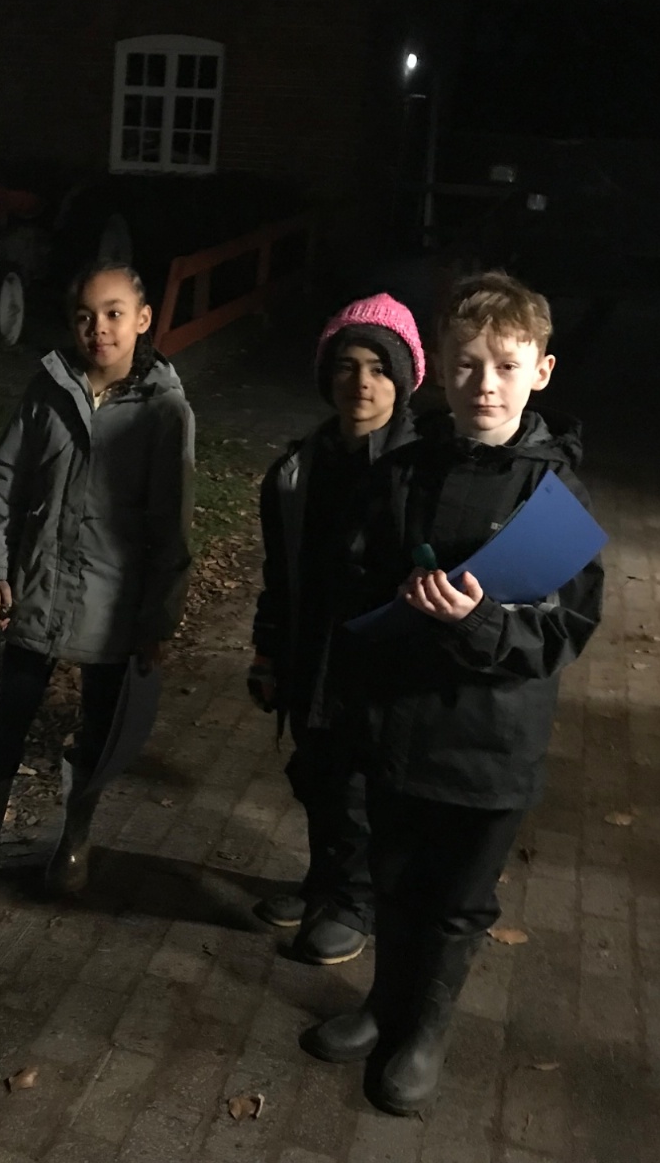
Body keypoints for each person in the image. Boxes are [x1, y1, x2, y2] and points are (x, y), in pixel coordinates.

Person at [300, 272, 603, 1114]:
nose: (485, 385)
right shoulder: (406, 467)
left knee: (457, 901)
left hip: (492, 746)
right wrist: (388, 596)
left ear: (541, 371)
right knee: (395, 880)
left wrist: (482, 623)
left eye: (505, 366)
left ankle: (425, 1032)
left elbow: (565, 630)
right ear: (440, 365)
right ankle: (382, 1007)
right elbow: (356, 571)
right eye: (467, 364)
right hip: (399, 727)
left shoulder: (555, 494)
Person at [0, 262, 195, 914]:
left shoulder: (164, 409)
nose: (99, 328)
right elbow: (6, 475)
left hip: (114, 602)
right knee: (7, 721)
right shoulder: (49, 386)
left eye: (113, 313)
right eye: (84, 316)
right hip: (40, 586)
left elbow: (172, 522)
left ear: (143, 319)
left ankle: (75, 838)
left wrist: (158, 619)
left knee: (97, 728)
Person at [248, 294, 426, 965]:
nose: (362, 383)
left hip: (378, 660)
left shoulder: (419, 472)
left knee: (360, 786)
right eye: (347, 366)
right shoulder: (298, 470)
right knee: (316, 774)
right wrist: (268, 651)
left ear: (403, 380)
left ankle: (356, 901)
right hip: (311, 648)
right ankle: (324, 882)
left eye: (379, 369)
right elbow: (280, 573)